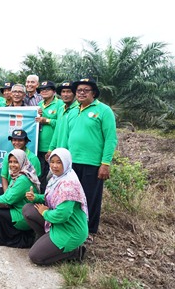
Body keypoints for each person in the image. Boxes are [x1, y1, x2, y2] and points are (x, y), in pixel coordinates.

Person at [65, 78, 117, 238]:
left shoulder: (103, 110)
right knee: (71, 196)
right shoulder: (73, 111)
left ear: (93, 93)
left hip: (93, 164)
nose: (81, 93)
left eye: (85, 90)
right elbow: (68, 137)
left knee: (89, 199)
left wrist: (105, 163)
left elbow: (110, 138)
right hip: (72, 163)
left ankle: (89, 231)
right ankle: (73, 226)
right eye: (79, 90)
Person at [23, 148, 88, 265]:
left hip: (70, 230)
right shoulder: (57, 178)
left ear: (66, 162)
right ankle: (48, 241)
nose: (54, 166)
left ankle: (75, 252)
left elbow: (62, 215)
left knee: (35, 256)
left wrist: (45, 213)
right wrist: (36, 197)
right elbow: (53, 197)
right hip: (58, 223)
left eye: (59, 162)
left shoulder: (69, 184)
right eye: (52, 162)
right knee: (28, 209)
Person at [0, 149, 39, 248]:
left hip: (22, 215)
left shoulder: (23, 179)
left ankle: (18, 239)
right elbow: (8, 193)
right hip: (17, 208)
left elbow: (8, 199)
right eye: (10, 162)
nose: (12, 165)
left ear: (22, 162)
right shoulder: (18, 175)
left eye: (16, 162)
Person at [35, 81, 63, 192]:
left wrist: (46, 120)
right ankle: (40, 199)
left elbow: (62, 124)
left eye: (47, 89)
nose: (44, 91)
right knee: (40, 175)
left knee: (52, 176)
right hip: (38, 147)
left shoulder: (60, 104)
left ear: (54, 91)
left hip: (52, 148)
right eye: (42, 90)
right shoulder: (39, 105)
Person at [47, 81, 78, 157]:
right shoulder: (61, 109)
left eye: (69, 92)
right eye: (63, 92)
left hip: (72, 154)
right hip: (59, 152)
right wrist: (51, 149)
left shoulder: (78, 109)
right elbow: (57, 131)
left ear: (74, 93)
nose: (65, 95)